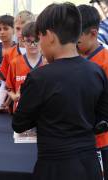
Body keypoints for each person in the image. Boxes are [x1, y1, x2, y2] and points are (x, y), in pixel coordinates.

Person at [12, 3, 107, 180]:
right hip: (90, 164)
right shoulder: (96, 72)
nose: (39, 44)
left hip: (55, 166)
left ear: (49, 36)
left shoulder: (40, 77)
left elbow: (19, 123)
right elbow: (102, 119)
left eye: (39, 37)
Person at [77, 4, 108, 178]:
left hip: (100, 139)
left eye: (78, 37)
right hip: (75, 139)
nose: (73, 41)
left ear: (93, 33)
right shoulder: (70, 56)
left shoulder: (105, 61)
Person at [0, 10, 35, 111]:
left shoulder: (41, 53)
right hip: (15, 109)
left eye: (25, 28)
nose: (21, 33)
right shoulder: (10, 54)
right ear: (14, 29)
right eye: (18, 29)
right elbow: (5, 81)